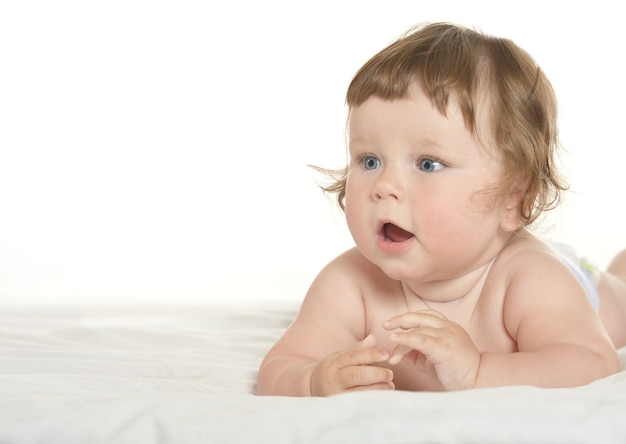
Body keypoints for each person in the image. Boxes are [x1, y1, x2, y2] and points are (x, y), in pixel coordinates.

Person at [256, 22, 626, 396]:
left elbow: (594, 362)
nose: (385, 186)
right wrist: (314, 380)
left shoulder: (529, 279)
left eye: (428, 164)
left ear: (514, 199)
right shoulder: (349, 283)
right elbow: (281, 365)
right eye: (369, 161)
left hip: (578, 283)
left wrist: (479, 371)